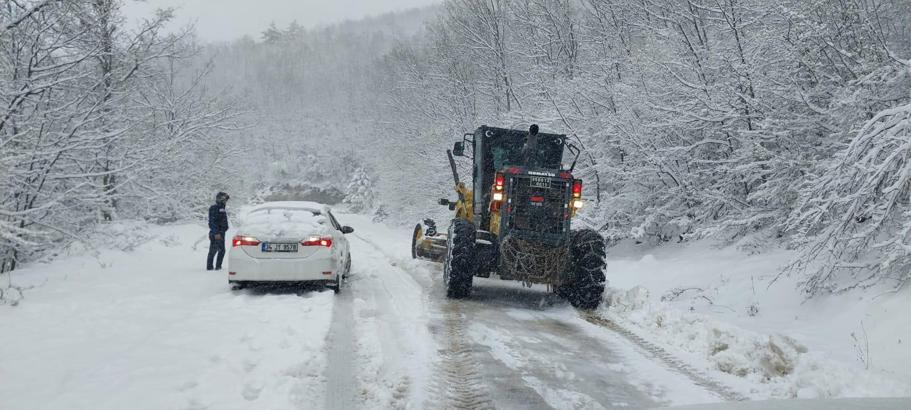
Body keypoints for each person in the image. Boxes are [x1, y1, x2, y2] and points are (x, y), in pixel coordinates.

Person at [207, 192, 230, 271]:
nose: (226, 202)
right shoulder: (214, 208)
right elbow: (212, 222)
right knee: (215, 250)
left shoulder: (221, 208)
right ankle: (211, 267)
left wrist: (224, 228)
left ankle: (217, 267)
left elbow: (222, 221)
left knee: (220, 250)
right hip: (216, 234)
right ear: (220, 199)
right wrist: (216, 233)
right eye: (224, 200)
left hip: (221, 233)